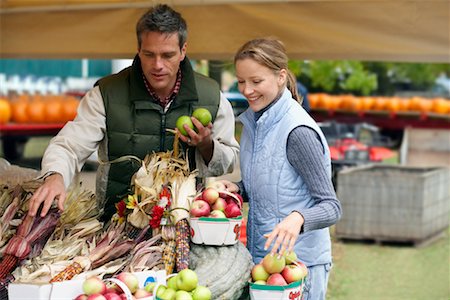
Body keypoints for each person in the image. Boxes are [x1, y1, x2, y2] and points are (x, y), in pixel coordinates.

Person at [28, 4, 239, 222]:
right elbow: (69, 145)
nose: (158, 65)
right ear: (138, 49)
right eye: (149, 54)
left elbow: (229, 161)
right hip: (115, 223)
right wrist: (55, 175)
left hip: (184, 223)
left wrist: (206, 145)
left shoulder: (212, 96)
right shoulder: (106, 94)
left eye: (167, 55)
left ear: (183, 51)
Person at [221, 38, 342, 300]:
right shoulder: (256, 122)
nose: (247, 90)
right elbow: (276, 183)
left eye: (256, 81)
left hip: (298, 270)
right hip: (266, 266)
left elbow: (331, 206)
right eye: (241, 81)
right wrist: (239, 190)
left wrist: (299, 218)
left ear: (280, 77)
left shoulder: (297, 131)